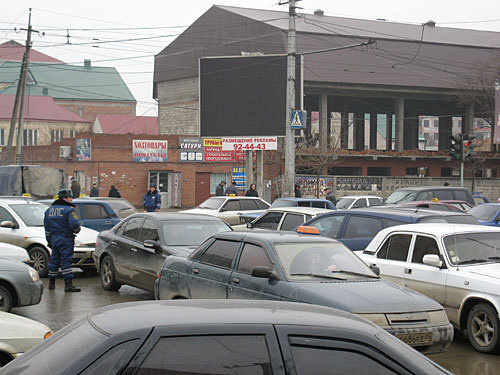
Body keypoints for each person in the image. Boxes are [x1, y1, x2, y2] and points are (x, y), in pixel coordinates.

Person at [43, 189, 81, 292]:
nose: (71, 199)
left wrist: (49, 241)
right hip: (66, 239)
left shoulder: (48, 211)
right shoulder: (68, 210)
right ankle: (68, 285)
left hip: (54, 239)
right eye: (70, 197)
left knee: (54, 261)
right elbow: (74, 225)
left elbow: (47, 229)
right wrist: (77, 229)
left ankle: (51, 284)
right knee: (66, 261)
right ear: (65, 198)